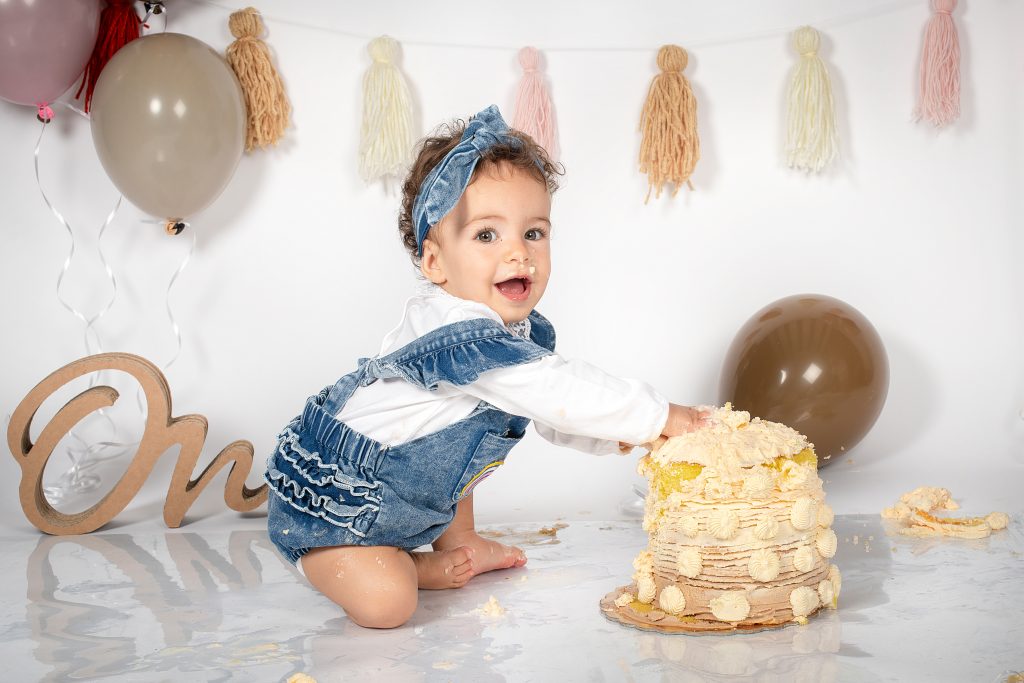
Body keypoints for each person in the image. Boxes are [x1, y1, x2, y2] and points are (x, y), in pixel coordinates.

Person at [264, 105, 709, 629]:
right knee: (389, 604)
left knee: (467, 432)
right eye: (486, 235)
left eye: (534, 233)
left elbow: (557, 413)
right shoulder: (459, 336)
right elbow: (557, 390)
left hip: (408, 490)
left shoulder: (510, 337)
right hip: (333, 506)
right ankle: (388, 563)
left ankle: (460, 542)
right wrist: (662, 417)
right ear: (434, 263)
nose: (518, 254)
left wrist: (629, 439)